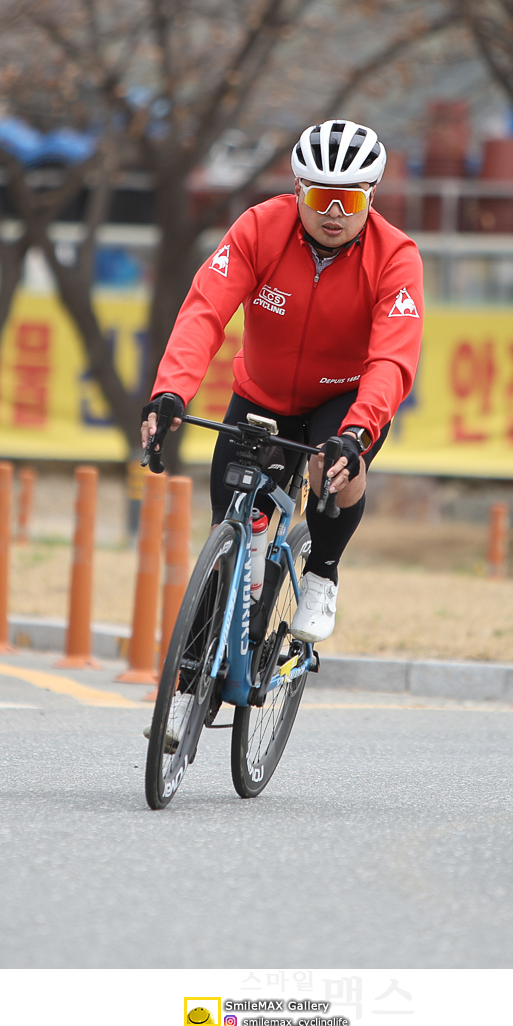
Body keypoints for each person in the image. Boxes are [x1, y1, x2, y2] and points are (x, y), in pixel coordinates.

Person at [140, 119, 425, 643]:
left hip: (343, 397)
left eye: (350, 200)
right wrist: (170, 392)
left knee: (331, 467)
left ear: (371, 195)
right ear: (297, 188)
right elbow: (205, 310)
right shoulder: (258, 228)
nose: (334, 213)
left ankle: (322, 574)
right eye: (319, 197)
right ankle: (199, 665)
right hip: (262, 395)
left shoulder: (395, 256)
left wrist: (357, 433)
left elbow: (392, 358)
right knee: (229, 532)